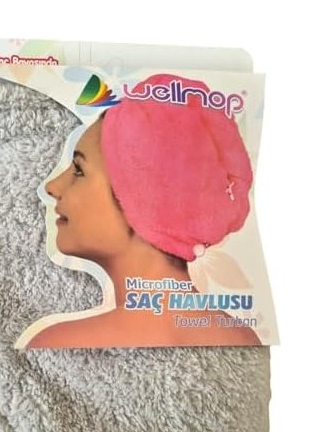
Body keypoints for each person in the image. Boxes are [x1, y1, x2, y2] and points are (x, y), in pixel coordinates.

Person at [19, 74, 261, 349]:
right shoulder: (243, 338)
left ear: (143, 197)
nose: (52, 187)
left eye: (79, 170)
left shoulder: (60, 344)